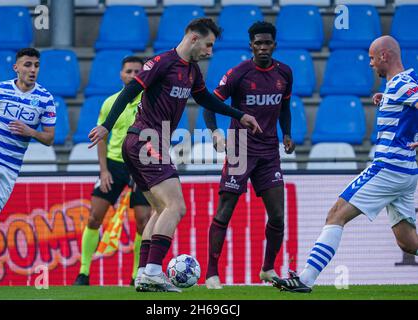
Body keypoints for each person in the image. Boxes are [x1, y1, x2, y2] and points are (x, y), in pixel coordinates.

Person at [88, 18, 262, 293]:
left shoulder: (191, 71)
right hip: (146, 139)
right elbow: (129, 92)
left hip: (148, 143)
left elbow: (206, 99)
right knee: (177, 207)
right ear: (193, 38)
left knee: (160, 209)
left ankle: (145, 273)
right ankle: (155, 272)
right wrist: (106, 126)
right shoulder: (162, 62)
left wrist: (240, 115)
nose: (210, 51)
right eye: (208, 45)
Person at [272, 35, 418, 293]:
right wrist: (387, 100)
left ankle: (305, 279)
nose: (371, 64)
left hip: (388, 168)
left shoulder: (401, 84)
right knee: (408, 243)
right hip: (406, 171)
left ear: (384, 56)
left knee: (335, 214)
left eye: (373, 58)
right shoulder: (402, 85)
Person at [202, 21, 295, 289]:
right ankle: (211, 274)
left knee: (278, 215)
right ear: (251, 45)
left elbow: (284, 108)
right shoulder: (238, 74)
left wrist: (287, 134)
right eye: (258, 43)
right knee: (225, 211)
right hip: (240, 151)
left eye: (268, 43)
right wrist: (215, 133)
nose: (263, 47)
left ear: (274, 45)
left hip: (268, 153)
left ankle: (267, 269)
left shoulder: (285, 74)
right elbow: (210, 104)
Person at [73, 56, 152, 286]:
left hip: (141, 165)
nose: (133, 75)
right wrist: (104, 170)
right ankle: (84, 272)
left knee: (143, 221)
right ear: (121, 74)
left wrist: (143, 171)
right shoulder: (110, 102)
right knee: (94, 216)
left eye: (138, 71)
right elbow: (101, 136)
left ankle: (137, 274)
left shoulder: (149, 102)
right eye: (129, 71)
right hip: (114, 164)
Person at [0, 48, 56, 253]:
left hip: (11, 165)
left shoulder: (45, 99)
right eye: (27, 65)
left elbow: (49, 138)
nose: (33, 69)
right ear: (16, 68)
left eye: (36, 65)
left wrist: (30, 132)